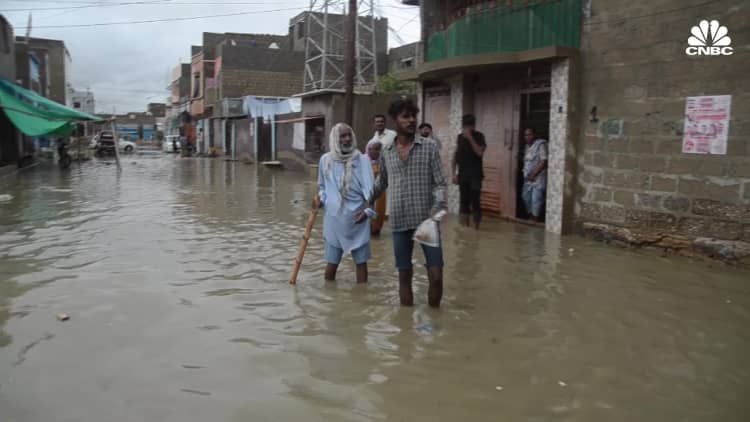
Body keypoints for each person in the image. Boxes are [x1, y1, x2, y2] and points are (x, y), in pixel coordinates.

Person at [373, 99, 446, 308]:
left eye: (413, 116)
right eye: (406, 116)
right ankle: (406, 329)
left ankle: (434, 321)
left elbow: (440, 182)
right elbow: (381, 183)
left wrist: (438, 206)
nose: (412, 120)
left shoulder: (429, 147)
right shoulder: (386, 151)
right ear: (395, 120)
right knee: (404, 275)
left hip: (427, 221)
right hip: (399, 221)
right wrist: (364, 202)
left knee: (436, 274)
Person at [314, 123, 376, 283]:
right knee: (331, 267)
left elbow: (372, 191)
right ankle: (330, 300)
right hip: (334, 220)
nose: (347, 139)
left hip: (358, 218)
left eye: (349, 135)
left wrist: (368, 212)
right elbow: (322, 187)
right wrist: (320, 199)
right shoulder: (325, 160)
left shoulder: (362, 160)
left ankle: (362, 300)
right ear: (335, 138)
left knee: (361, 264)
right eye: (343, 136)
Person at [451, 114, 486, 229]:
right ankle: (465, 228)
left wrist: (471, 138)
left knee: (475, 200)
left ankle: (477, 227)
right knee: (464, 201)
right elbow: (455, 155)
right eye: (465, 126)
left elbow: (479, 153)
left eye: (470, 125)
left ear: (474, 125)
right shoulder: (460, 137)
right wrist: (453, 173)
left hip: (475, 175)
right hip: (463, 175)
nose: (467, 128)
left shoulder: (480, 136)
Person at [522, 128, 548, 222]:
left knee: (536, 199)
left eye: (530, 134)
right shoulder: (527, 147)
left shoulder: (541, 145)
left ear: (534, 135)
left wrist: (534, 174)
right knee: (525, 197)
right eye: (526, 135)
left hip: (538, 178)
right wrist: (528, 175)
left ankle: (535, 219)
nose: (527, 137)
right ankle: (530, 216)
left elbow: (543, 161)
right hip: (528, 178)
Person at [366, 139, 386, 236]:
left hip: (381, 195)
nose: (377, 152)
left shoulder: (384, 163)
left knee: (379, 215)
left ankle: (376, 230)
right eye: (375, 149)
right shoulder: (364, 163)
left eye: (379, 149)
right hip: (368, 194)